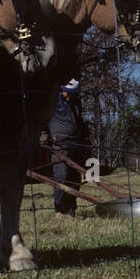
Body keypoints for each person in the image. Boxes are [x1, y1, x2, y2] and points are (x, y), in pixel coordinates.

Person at [46, 79, 90, 216]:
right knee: (61, 177)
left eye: (72, 93)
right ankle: (59, 210)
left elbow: (79, 122)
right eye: (67, 92)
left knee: (74, 179)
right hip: (60, 145)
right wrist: (44, 138)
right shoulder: (53, 101)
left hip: (75, 145)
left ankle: (71, 209)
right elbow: (42, 120)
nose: (68, 96)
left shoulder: (77, 103)